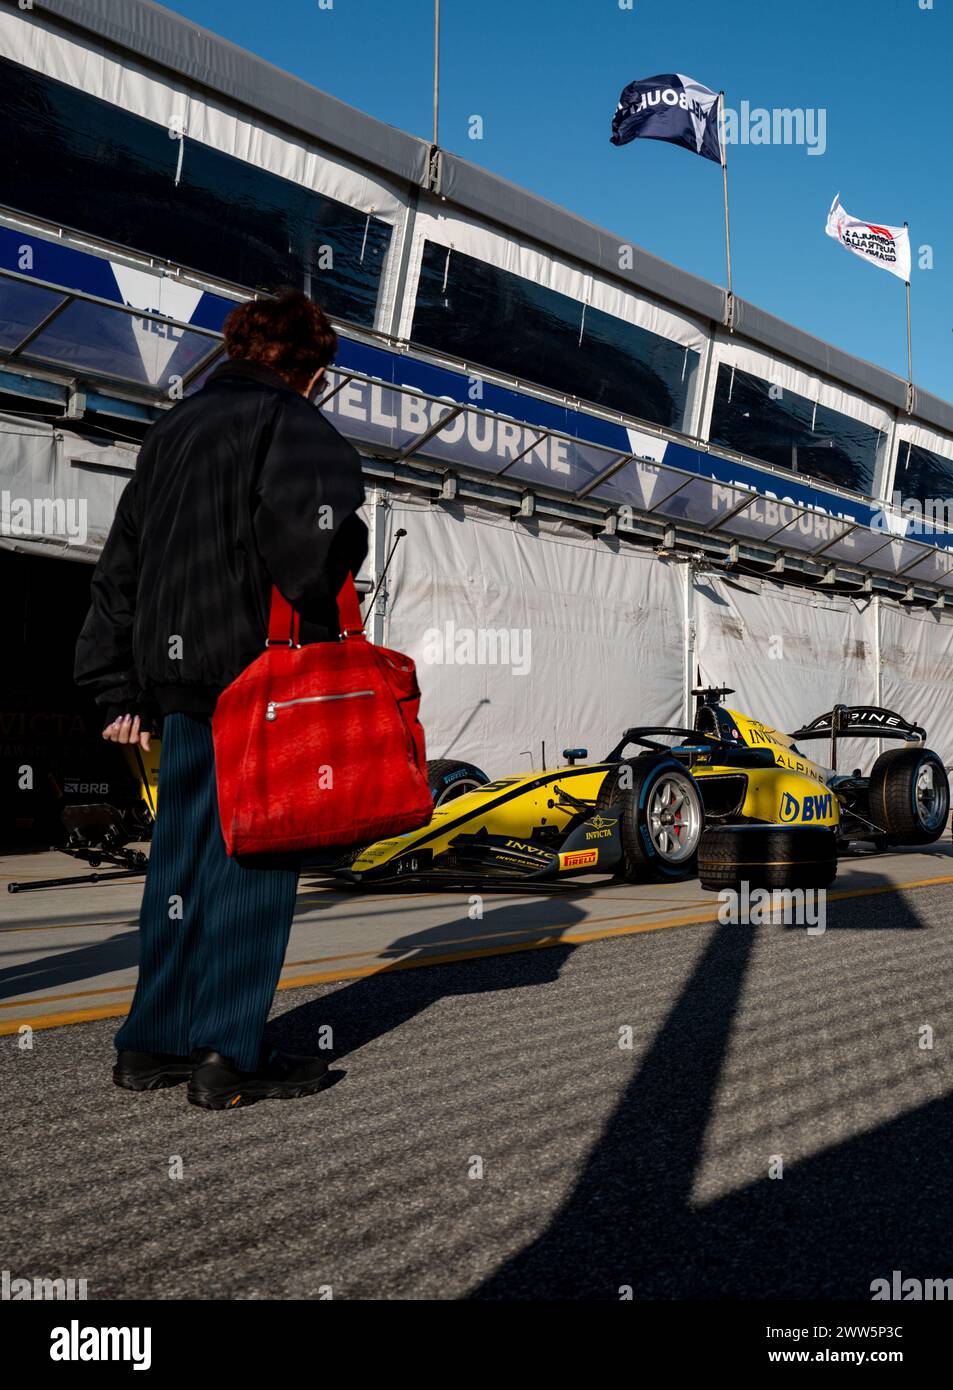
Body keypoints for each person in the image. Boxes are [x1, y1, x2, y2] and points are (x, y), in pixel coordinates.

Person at [74, 290, 368, 1110]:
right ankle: (230, 1054)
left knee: (179, 862)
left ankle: (152, 1043)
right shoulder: (290, 422)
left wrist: (112, 683)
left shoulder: (171, 429)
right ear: (308, 370)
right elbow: (313, 558)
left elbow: (120, 561)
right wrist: (350, 535)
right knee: (256, 861)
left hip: (175, 686)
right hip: (255, 686)